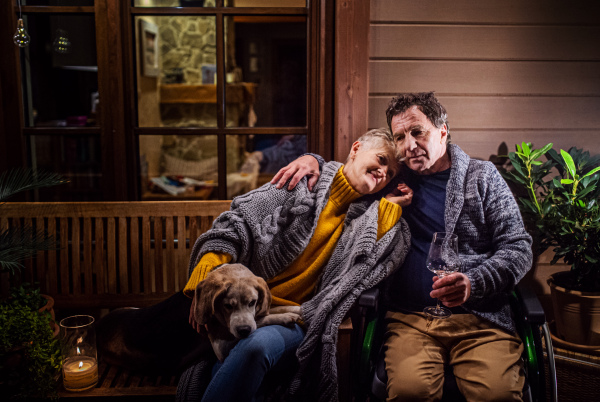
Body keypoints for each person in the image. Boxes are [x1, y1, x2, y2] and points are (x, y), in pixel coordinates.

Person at [272, 92, 533, 401]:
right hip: (411, 321)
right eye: (400, 137)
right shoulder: (391, 178)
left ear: (442, 131)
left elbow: (517, 248)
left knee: (499, 396)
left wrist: (474, 283)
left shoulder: (483, 178)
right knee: (410, 393)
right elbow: (349, 173)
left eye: (417, 132)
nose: (409, 145)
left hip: (480, 320)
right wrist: (312, 160)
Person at [177, 128, 413, 402]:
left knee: (254, 348)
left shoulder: (368, 219)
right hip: (239, 308)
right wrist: (203, 283)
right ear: (356, 148)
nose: (384, 172)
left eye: (392, 173)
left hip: (295, 319)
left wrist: (389, 208)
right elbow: (235, 225)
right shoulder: (302, 181)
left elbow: (363, 264)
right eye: (382, 160)